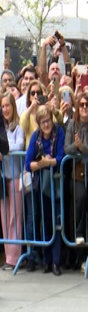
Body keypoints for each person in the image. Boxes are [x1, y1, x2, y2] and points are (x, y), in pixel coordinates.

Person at [25, 106, 65, 276]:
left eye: (48, 120)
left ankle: (56, 262)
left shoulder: (59, 132)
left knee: (57, 222)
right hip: (41, 185)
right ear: (39, 124)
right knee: (46, 221)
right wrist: (42, 164)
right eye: (43, 122)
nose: (46, 124)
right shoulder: (36, 137)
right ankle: (47, 261)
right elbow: (28, 164)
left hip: (57, 182)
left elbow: (61, 157)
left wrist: (49, 162)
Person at [64, 92, 88, 271]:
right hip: (76, 174)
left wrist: (81, 148)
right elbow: (67, 148)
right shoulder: (72, 124)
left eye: (87, 104)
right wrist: (77, 147)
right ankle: (79, 245)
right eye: (81, 105)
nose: (85, 107)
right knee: (81, 199)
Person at [0, 92, 18, 270]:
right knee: (5, 218)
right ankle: (8, 256)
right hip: (3, 178)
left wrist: (4, 150)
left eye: (8, 105)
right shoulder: (1, 127)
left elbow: (19, 145)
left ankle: (15, 257)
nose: (5, 109)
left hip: (16, 176)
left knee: (14, 218)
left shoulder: (17, 127)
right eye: (3, 106)